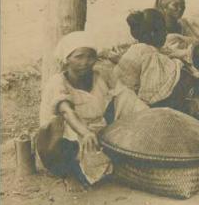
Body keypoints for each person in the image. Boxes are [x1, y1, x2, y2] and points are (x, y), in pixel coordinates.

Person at [37, 31, 148, 192]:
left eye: (90, 57)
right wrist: (85, 133)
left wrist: (147, 114)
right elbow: (67, 112)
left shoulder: (100, 76)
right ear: (67, 59)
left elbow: (124, 95)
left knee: (125, 97)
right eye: (79, 57)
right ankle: (69, 174)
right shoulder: (58, 82)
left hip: (93, 129)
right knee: (62, 129)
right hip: (65, 136)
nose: (85, 62)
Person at [114, 8, 199, 111]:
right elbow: (151, 93)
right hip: (128, 100)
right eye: (163, 30)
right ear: (152, 34)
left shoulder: (140, 47)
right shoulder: (147, 52)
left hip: (122, 93)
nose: (166, 33)